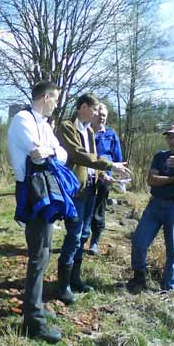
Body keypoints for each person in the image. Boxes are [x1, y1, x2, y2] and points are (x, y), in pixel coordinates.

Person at [8, 81, 68, 343]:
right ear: (46, 97)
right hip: (32, 191)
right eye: (55, 99)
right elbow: (36, 156)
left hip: (44, 189)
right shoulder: (22, 119)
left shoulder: (42, 124)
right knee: (38, 255)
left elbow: (61, 154)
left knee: (43, 254)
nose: (56, 104)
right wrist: (47, 152)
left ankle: (37, 306)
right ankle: (34, 320)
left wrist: (50, 150)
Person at [56, 93, 131, 304]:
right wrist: (108, 164)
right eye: (95, 109)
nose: (98, 113)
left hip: (91, 190)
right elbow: (78, 155)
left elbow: (90, 164)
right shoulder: (67, 127)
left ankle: (75, 278)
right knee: (73, 234)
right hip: (76, 191)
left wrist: (104, 175)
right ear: (82, 107)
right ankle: (63, 287)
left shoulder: (89, 130)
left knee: (83, 234)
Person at [127, 123, 174, 293]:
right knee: (139, 241)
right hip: (155, 206)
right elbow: (151, 180)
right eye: (169, 137)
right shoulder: (160, 156)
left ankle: (167, 289)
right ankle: (138, 278)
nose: (172, 140)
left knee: (173, 251)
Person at [89, 103, 123, 255]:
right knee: (85, 208)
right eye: (99, 114)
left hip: (104, 178)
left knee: (99, 209)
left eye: (104, 115)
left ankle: (94, 241)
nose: (102, 117)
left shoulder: (110, 134)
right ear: (93, 114)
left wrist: (116, 176)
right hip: (87, 176)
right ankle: (79, 239)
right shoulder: (85, 132)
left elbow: (118, 160)